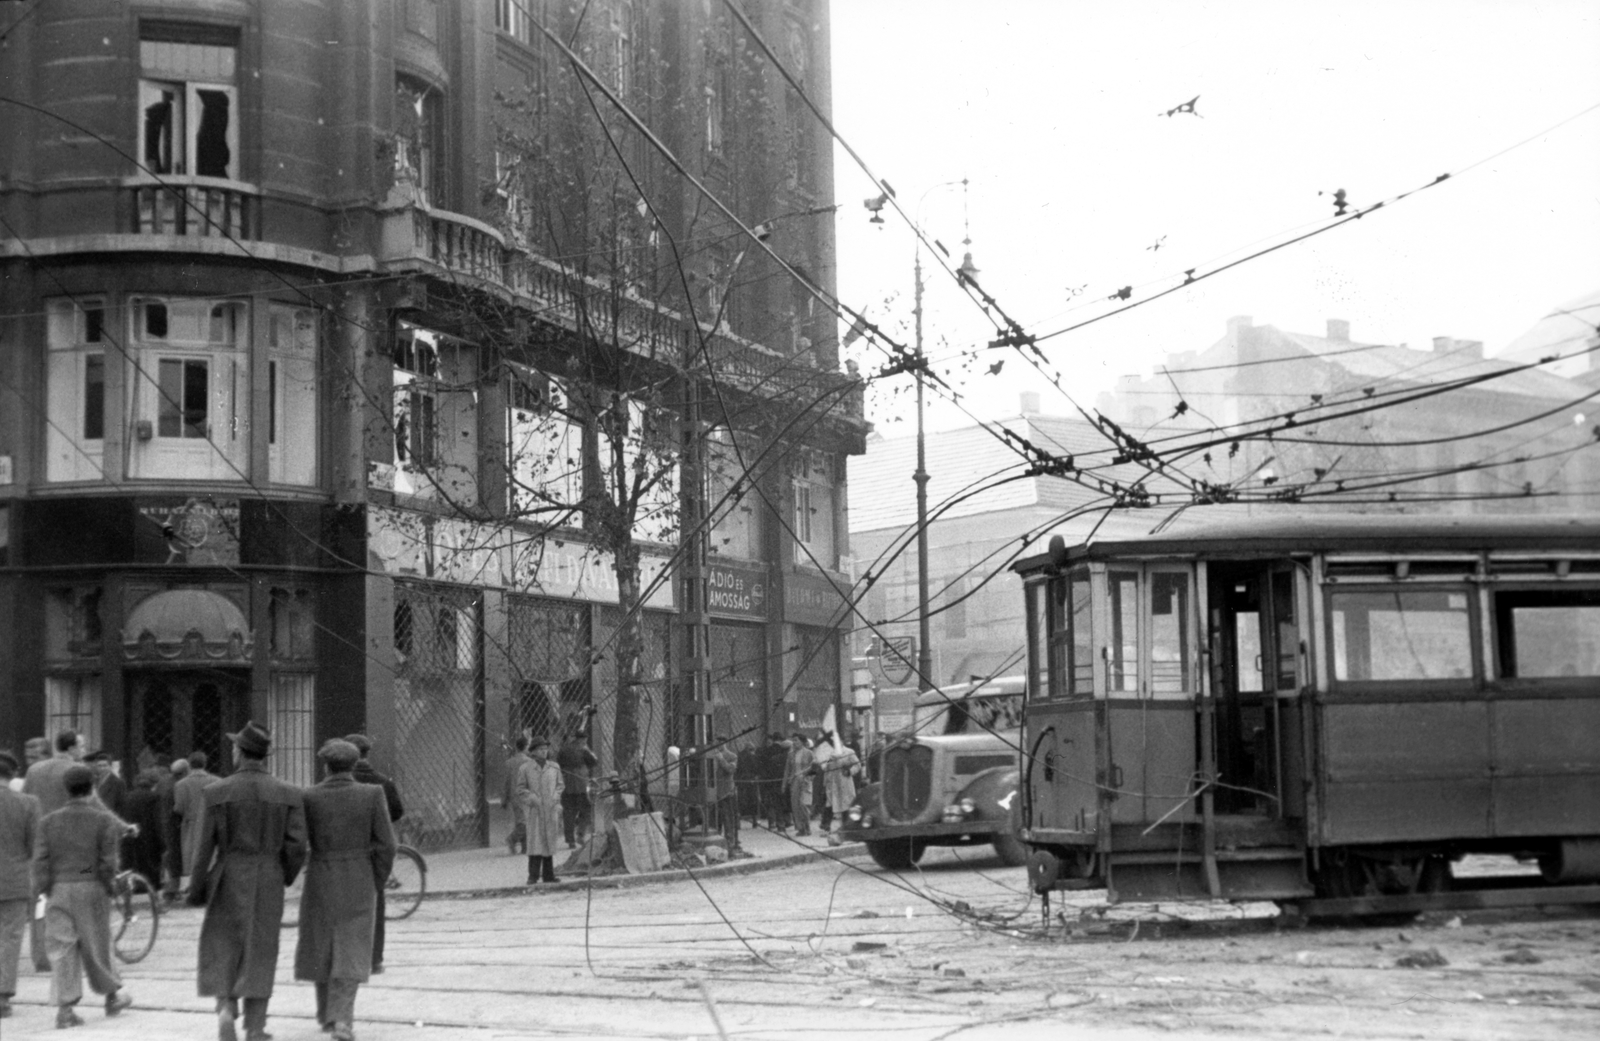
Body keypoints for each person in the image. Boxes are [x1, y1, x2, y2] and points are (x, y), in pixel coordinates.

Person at [189, 722, 307, 1041]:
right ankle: (256, 1027)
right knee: (261, 947)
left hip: (227, 874)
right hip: (268, 875)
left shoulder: (215, 792)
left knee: (223, 943)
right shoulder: (288, 793)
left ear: (240, 752)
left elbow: (202, 850)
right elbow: (297, 846)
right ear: (264, 756)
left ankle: (226, 1006)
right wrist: (284, 874)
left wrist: (196, 889)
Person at [295, 739, 396, 1041]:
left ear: (325, 765)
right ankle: (343, 1020)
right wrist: (375, 878)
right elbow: (387, 845)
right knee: (352, 948)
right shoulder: (372, 793)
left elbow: (299, 843)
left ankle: (326, 1014)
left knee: (321, 943)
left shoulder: (309, 796)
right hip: (359, 877)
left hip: (321, 875)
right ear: (353, 765)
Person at [32, 763, 133, 1029]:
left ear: (66, 789)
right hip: (91, 888)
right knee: (98, 943)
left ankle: (65, 1009)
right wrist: (102, 880)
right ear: (91, 789)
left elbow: (41, 861)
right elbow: (107, 862)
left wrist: (47, 887)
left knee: (62, 948)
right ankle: (111, 996)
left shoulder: (48, 822)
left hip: (58, 890)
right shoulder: (104, 820)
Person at [345, 734, 402, 974]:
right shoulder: (384, 783)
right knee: (376, 904)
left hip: (348, 852)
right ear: (367, 754)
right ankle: (374, 958)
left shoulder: (341, 782)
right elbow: (398, 812)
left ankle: (349, 956)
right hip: (375, 852)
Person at [0, 751, 41, 1019]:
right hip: (14, 880)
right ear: (13, 775)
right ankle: (2, 996)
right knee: (10, 938)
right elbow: (34, 845)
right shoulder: (28, 803)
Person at [516, 736, 563, 884]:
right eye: (541, 750)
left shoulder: (554, 767)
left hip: (550, 809)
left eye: (545, 749)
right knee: (536, 843)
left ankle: (549, 875)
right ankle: (533, 875)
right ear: (534, 752)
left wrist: (555, 797)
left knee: (549, 843)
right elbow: (520, 788)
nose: (544, 752)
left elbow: (560, 785)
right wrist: (531, 798)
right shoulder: (525, 768)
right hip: (535, 810)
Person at [173, 750, 217, 893]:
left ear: (190, 765)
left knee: (191, 855)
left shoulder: (181, 785)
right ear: (205, 763)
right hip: (211, 824)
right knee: (211, 856)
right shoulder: (217, 782)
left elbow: (179, 808)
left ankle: (193, 888)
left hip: (190, 824)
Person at [23, 730, 89, 816]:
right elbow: (90, 801)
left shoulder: (33, 769)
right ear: (71, 749)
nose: (85, 751)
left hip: (38, 825)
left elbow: (24, 801)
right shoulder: (79, 771)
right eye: (82, 746)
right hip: (66, 824)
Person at [119, 770, 165, 887]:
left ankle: (135, 886)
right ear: (154, 784)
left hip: (130, 835)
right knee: (150, 869)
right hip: (149, 838)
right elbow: (157, 821)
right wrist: (163, 842)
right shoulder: (154, 797)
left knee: (134, 864)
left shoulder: (127, 797)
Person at [555, 730, 598, 849]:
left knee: (568, 812)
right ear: (583, 739)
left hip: (567, 784)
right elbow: (595, 761)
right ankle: (580, 832)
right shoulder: (584, 750)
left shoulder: (564, 749)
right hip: (581, 785)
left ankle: (570, 840)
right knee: (587, 809)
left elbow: (558, 763)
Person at [820, 737, 862, 847]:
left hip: (844, 782)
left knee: (846, 805)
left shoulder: (849, 752)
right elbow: (825, 768)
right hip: (832, 783)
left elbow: (858, 765)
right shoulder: (829, 753)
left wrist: (849, 771)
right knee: (830, 805)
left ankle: (848, 829)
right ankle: (826, 827)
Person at [159, 758, 189, 902]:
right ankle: (171, 890)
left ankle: (169, 888)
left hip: (164, 822)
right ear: (185, 772)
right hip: (175, 824)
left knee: (169, 855)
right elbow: (179, 807)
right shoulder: (179, 785)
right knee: (175, 857)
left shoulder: (164, 782)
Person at [708, 737, 741, 852]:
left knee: (728, 818)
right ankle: (716, 841)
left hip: (727, 792)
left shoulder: (732, 756)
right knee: (714, 819)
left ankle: (730, 842)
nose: (718, 745)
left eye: (721, 743)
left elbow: (730, 770)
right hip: (714, 792)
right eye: (717, 743)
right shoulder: (710, 755)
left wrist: (721, 759)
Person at [503, 736, 530, 856]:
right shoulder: (529, 762)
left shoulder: (509, 762)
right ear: (525, 747)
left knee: (522, 820)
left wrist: (504, 798)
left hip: (514, 796)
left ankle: (525, 847)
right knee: (525, 822)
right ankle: (512, 839)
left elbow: (506, 782)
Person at [783, 733, 814, 837]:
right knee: (795, 805)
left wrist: (807, 777)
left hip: (805, 782)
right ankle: (800, 828)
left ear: (802, 741)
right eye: (793, 741)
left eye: (796, 740)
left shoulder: (809, 753)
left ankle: (807, 826)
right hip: (794, 782)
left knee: (803, 804)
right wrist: (784, 784)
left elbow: (814, 768)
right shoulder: (791, 754)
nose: (795, 743)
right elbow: (787, 770)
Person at [87, 752, 127, 822]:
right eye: (99, 766)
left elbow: (122, 806)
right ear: (96, 767)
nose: (102, 768)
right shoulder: (93, 782)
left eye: (105, 765)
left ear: (110, 766)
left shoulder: (118, 783)